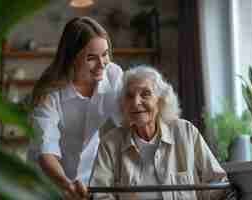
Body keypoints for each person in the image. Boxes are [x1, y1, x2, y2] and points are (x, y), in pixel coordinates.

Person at [88, 65, 228, 200]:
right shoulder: (110, 144)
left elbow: (218, 182)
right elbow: (100, 193)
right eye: (130, 96)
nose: (136, 102)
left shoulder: (185, 132)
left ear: (160, 101)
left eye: (145, 94)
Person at [28, 16, 123, 200]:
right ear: (72, 58)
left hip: (87, 180)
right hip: (47, 179)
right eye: (91, 58)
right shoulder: (50, 91)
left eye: (105, 54)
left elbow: (127, 123)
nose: (102, 64)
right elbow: (45, 149)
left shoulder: (113, 75)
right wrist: (66, 185)